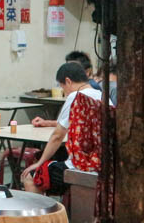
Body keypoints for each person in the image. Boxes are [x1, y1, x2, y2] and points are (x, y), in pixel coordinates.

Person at [21, 61, 104, 194]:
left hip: (80, 167)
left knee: (31, 176)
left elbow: (57, 136)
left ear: (68, 81)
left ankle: (43, 215)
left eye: (62, 87)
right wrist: (48, 123)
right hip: (101, 164)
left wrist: (39, 163)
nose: (64, 92)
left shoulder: (75, 97)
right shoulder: (103, 97)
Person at [33, 50, 99, 127]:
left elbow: (59, 132)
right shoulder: (96, 92)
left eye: (75, 69)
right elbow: (68, 121)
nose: (69, 71)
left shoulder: (86, 91)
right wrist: (47, 123)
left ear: (87, 71)